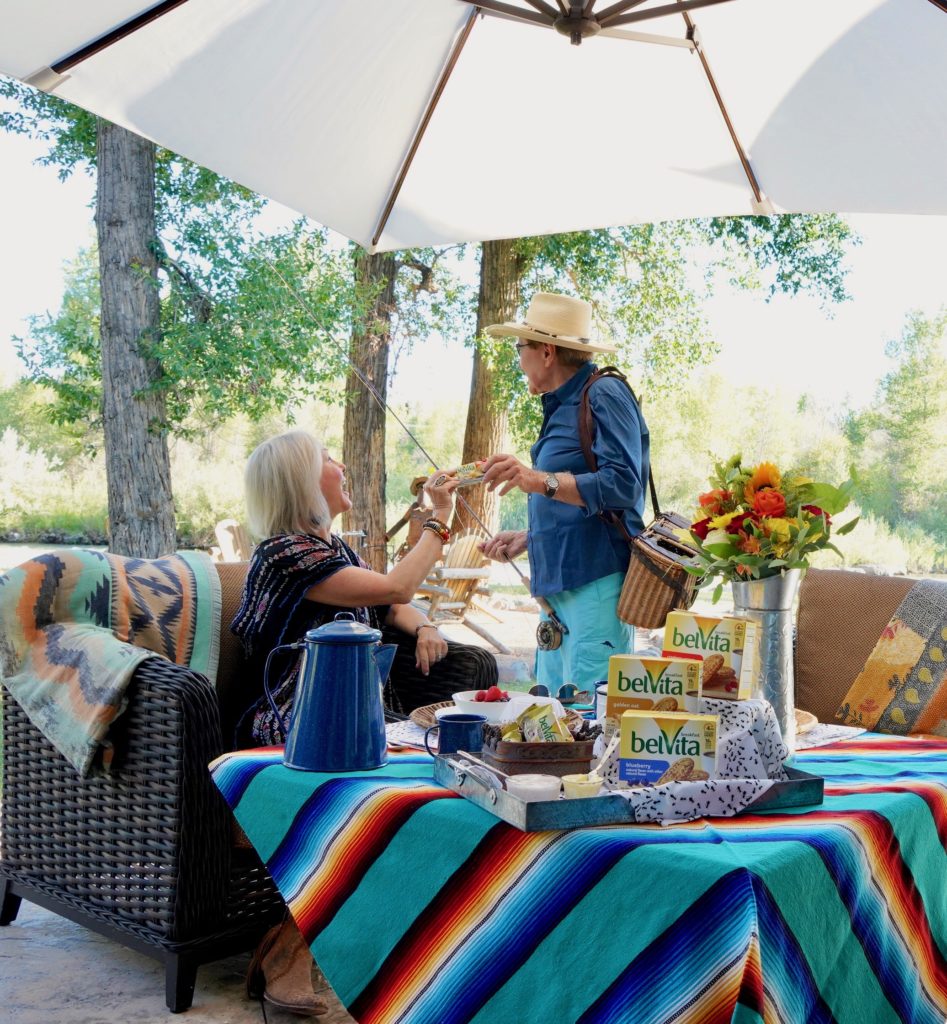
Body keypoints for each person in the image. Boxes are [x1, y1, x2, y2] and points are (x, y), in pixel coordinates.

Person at [232, 430, 498, 1016]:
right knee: (371, 793)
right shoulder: (286, 553)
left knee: (449, 775)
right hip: (297, 719)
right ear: (301, 481)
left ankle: (393, 935)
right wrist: (439, 520)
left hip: (356, 713)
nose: (342, 462)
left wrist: (425, 626)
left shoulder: (331, 549)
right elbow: (395, 583)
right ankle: (293, 948)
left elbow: (393, 603)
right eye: (328, 458)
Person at [479, 292, 649, 692]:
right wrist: (529, 539)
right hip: (559, 593)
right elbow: (578, 502)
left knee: (589, 725)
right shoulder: (561, 405)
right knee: (551, 722)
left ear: (547, 352)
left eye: (520, 348)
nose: (518, 359)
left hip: (595, 586)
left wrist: (535, 478)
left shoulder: (604, 392)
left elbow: (623, 484)